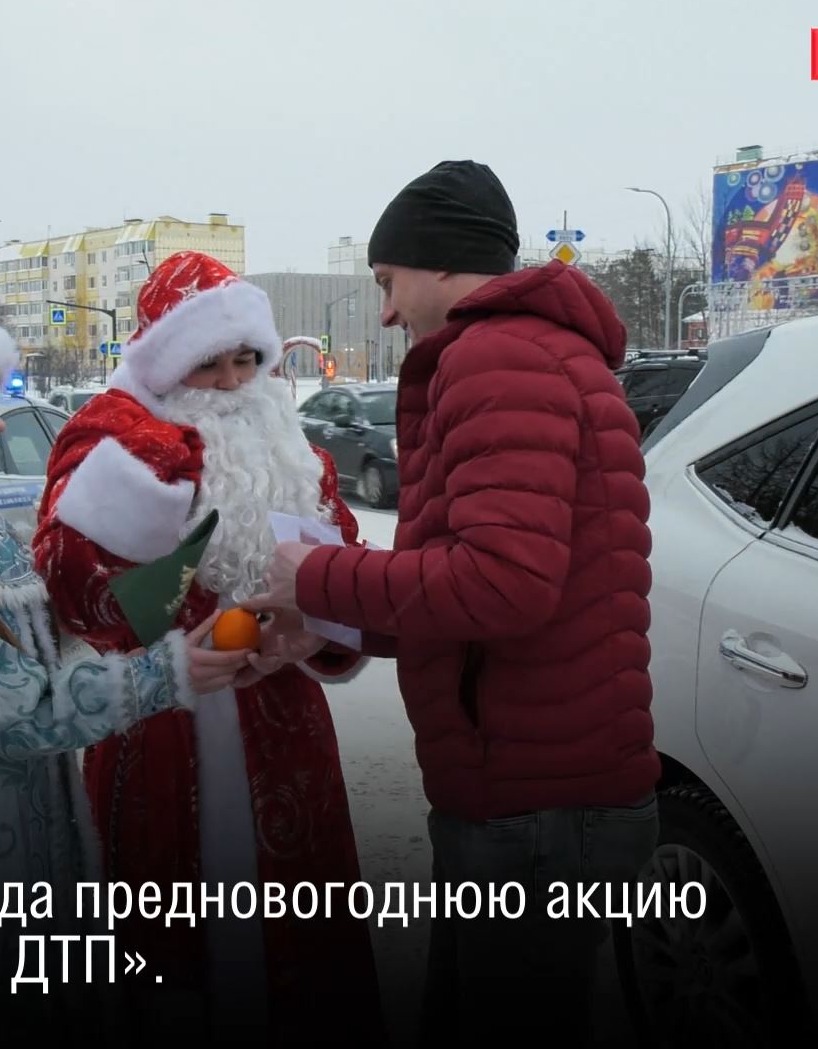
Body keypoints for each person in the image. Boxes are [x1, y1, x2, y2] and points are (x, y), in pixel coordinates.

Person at [244, 160, 659, 1047]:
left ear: (439, 262)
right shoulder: (537, 353)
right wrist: (329, 620)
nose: (386, 312)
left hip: (534, 807)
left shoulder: (498, 356)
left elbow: (501, 584)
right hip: (538, 791)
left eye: (387, 282)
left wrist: (313, 577)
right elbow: (480, 586)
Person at [0, 317, 257, 1038]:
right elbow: (20, 713)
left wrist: (168, 573)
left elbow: (60, 635)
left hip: (34, 830)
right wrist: (167, 672)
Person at [31, 250, 381, 1045]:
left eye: (246, 361)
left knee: (298, 941)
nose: (231, 383)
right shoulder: (114, 442)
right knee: (173, 941)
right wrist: (160, 488)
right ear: (168, 366)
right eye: (209, 363)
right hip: (164, 723)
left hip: (283, 723)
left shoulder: (294, 453)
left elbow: (343, 568)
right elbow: (75, 586)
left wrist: (314, 634)